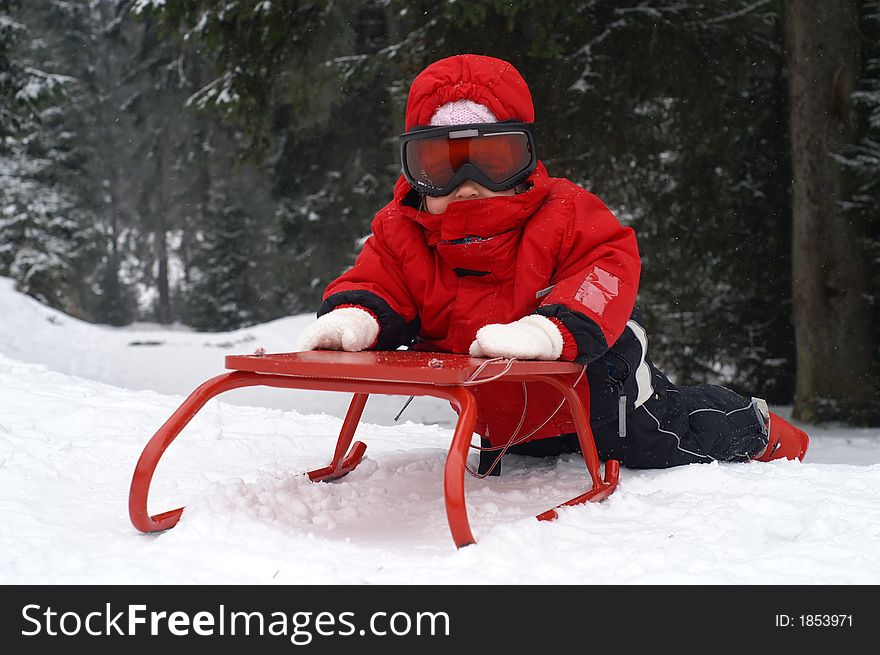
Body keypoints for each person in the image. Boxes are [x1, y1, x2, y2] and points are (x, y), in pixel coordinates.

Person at [295, 53, 809, 473]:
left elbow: (606, 267)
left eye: (491, 161)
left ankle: (753, 424)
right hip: (507, 414)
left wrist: (549, 332)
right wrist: (356, 318)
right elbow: (379, 278)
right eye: (441, 166)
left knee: (674, 439)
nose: (467, 185)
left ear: (524, 161)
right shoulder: (402, 229)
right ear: (414, 170)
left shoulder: (562, 212)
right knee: (533, 452)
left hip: (605, 396)